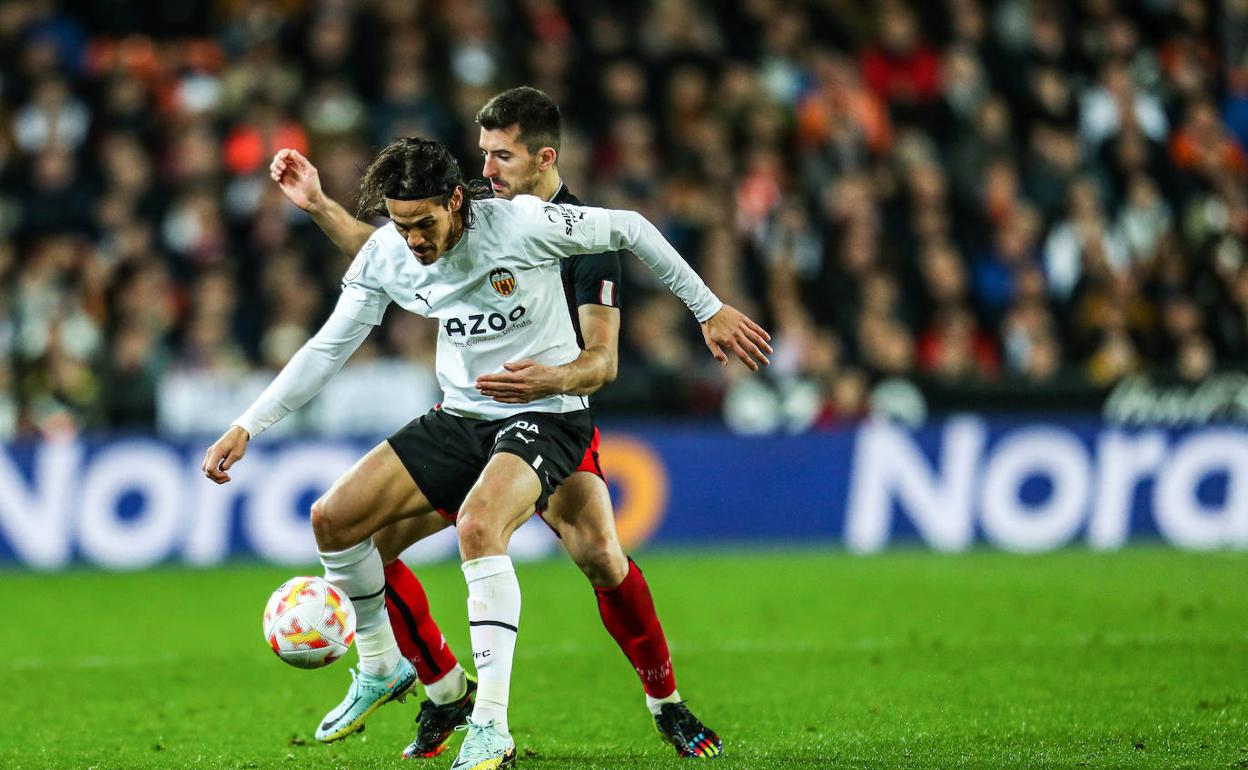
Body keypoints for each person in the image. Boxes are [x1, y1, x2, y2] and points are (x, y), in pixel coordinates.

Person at [204, 136, 769, 770]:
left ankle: (524, 722)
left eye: (424, 224)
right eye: (399, 224)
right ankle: (389, 669)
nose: (413, 240)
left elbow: (632, 229)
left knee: (574, 552)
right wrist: (247, 426)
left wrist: (708, 308)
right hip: (465, 415)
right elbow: (327, 348)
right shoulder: (393, 251)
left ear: (455, 200)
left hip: (547, 414)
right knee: (333, 520)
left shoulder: (523, 223)